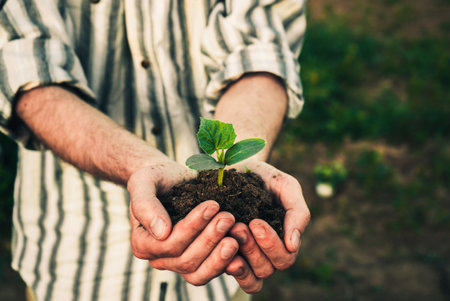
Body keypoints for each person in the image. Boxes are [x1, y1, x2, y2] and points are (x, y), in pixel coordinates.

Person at [0, 0, 310, 300]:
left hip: (221, 278)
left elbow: (258, 50)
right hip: (76, 253)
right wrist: (139, 165)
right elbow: (25, 65)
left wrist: (242, 155)